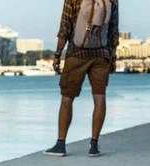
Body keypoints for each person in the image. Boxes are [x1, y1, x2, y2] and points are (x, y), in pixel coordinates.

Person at [43, 0, 119, 157]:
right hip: (101, 55)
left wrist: (57, 55)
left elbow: (65, 28)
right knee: (99, 98)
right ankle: (94, 145)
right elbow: (113, 32)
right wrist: (112, 58)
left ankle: (60, 144)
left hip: (76, 54)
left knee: (67, 98)